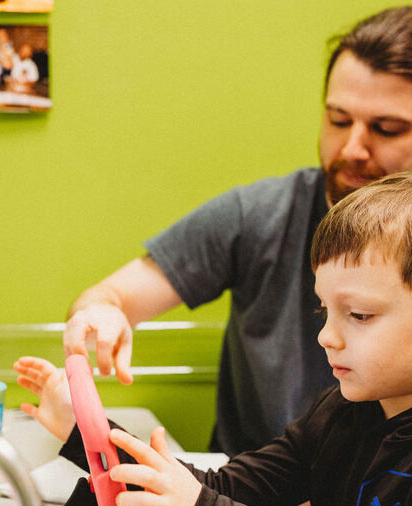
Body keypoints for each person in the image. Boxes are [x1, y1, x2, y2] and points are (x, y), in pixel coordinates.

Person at [16, 172, 412, 506]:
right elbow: (225, 489)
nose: (326, 336)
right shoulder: (339, 413)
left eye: (358, 314)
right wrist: (85, 429)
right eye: (323, 309)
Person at [62, 6, 412, 458]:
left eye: (386, 129)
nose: (352, 148)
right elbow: (109, 297)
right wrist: (101, 313)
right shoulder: (259, 214)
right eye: (338, 120)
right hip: (247, 503)